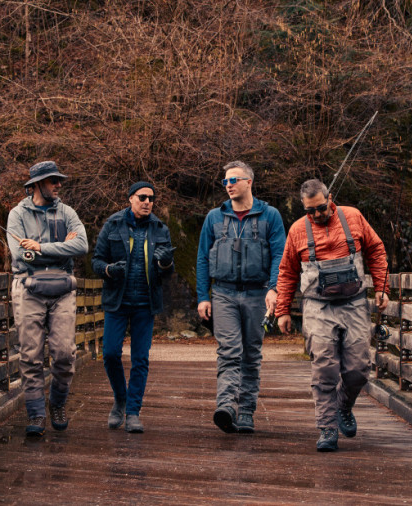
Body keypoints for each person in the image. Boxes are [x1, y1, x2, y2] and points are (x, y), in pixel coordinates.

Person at [275, 179, 388, 451]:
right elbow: (287, 271)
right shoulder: (297, 230)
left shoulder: (353, 216)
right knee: (325, 367)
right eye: (310, 211)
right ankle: (327, 428)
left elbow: (376, 250)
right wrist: (283, 310)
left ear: (330, 198)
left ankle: (343, 407)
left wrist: (381, 288)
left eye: (321, 208)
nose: (316, 215)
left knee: (359, 368)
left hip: (355, 302)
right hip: (317, 306)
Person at [196, 161, 286, 433]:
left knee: (251, 354)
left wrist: (274, 288)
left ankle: (246, 410)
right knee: (229, 351)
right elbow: (202, 258)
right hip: (222, 293)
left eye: (234, 179)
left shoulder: (270, 216)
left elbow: (280, 256)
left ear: (249, 182)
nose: (229, 185)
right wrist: (203, 296)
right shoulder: (213, 217)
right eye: (225, 181)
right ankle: (226, 406)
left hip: (258, 294)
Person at [7, 161, 88, 437]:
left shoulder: (68, 212)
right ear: (37, 184)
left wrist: (41, 247)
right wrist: (62, 248)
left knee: (65, 353)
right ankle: (36, 413)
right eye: (53, 180)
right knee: (30, 355)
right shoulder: (17, 215)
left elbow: (81, 245)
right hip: (28, 288)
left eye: (58, 180)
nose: (58, 185)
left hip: (63, 288)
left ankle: (57, 403)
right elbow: (20, 255)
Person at [92, 181, 175, 433]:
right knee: (109, 354)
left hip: (145, 304)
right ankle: (121, 397)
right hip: (117, 302)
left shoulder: (160, 228)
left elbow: (168, 272)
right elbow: (96, 260)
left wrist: (165, 263)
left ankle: (133, 412)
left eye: (151, 198)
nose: (148, 202)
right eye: (142, 197)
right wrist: (109, 270)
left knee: (140, 359)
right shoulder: (113, 224)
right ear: (130, 199)